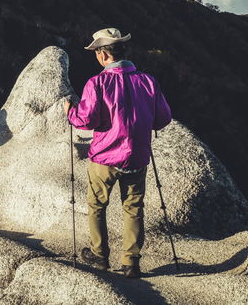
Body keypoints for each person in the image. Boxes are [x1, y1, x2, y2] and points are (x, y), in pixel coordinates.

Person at [63, 27, 172, 278]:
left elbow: (86, 120)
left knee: (97, 205)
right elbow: (163, 118)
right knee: (133, 208)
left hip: (105, 157)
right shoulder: (148, 81)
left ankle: (100, 257)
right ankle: (130, 263)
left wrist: (71, 110)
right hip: (137, 157)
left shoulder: (97, 83)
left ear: (102, 55)